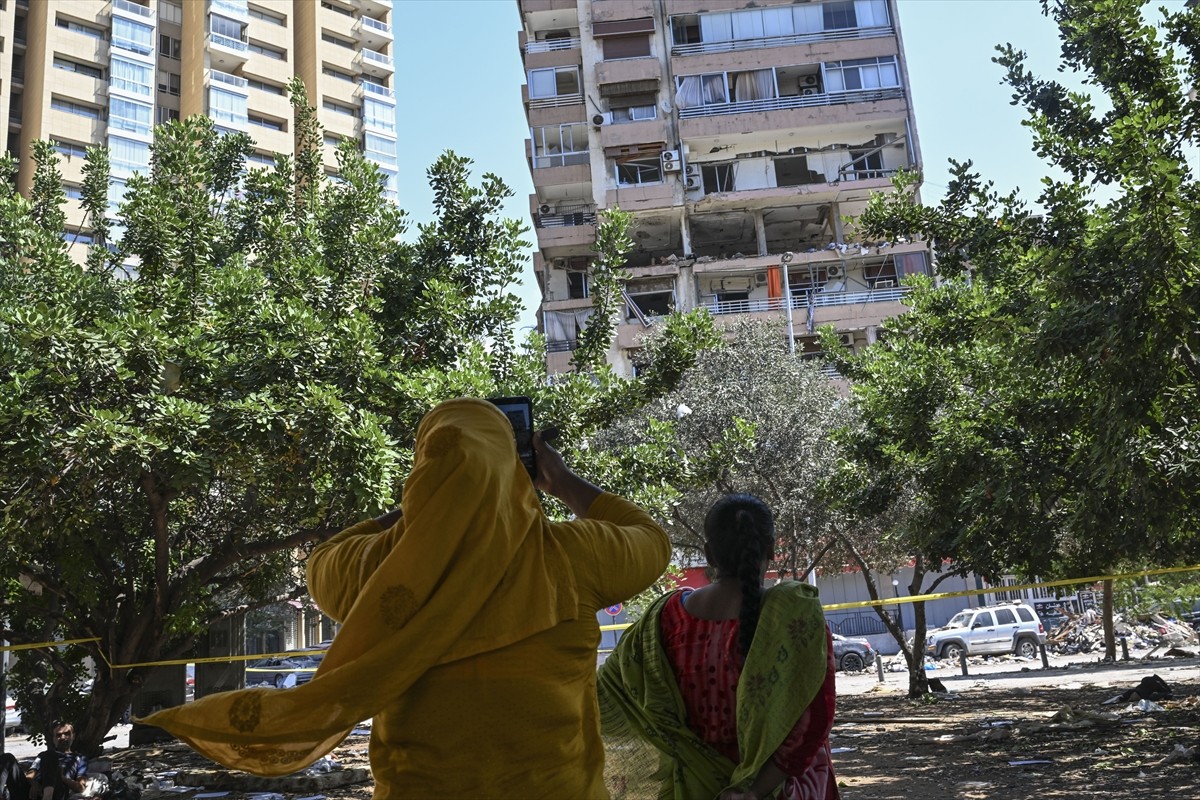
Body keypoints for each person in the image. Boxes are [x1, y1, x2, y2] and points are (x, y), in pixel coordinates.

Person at [142, 397, 671, 798]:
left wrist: (425, 510)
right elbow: (651, 539)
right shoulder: (570, 555)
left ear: (422, 472)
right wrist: (560, 481)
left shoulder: (377, 568)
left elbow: (322, 560)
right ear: (520, 469)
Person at [598, 494, 839, 800]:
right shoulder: (794, 620)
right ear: (771, 549)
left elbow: (607, 696)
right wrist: (753, 791)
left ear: (709, 555)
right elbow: (814, 720)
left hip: (691, 788)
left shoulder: (663, 621)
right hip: (778, 789)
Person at [29, 722, 87, 800]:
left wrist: (63, 778)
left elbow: (80, 787)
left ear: (73, 736)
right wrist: (34, 783)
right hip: (35, 790)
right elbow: (29, 776)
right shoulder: (43, 755)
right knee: (8, 758)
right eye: (58, 735)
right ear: (53, 739)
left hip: (58, 790)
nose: (63, 737)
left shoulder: (80, 758)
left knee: (51, 755)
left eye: (67, 734)